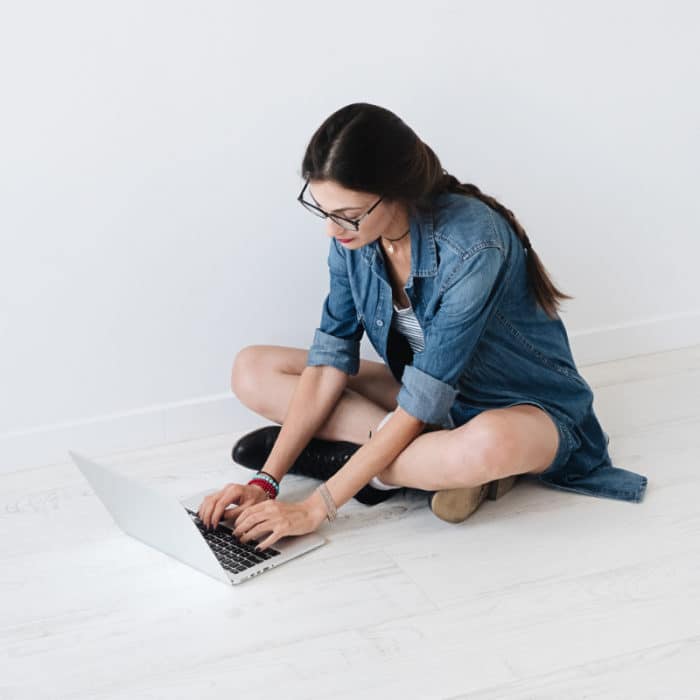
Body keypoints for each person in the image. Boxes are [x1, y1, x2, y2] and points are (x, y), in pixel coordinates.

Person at [197, 102, 648, 551]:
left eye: (347, 214)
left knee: (488, 446)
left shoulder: (472, 244)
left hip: (520, 409)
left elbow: (420, 404)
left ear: (394, 190)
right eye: (324, 211)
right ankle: (413, 470)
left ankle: (366, 461)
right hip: (427, 400)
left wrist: (316, 506)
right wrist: (266, 483)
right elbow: (329, 362)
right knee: (253, 370)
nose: (333, 231)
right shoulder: (353, 238)